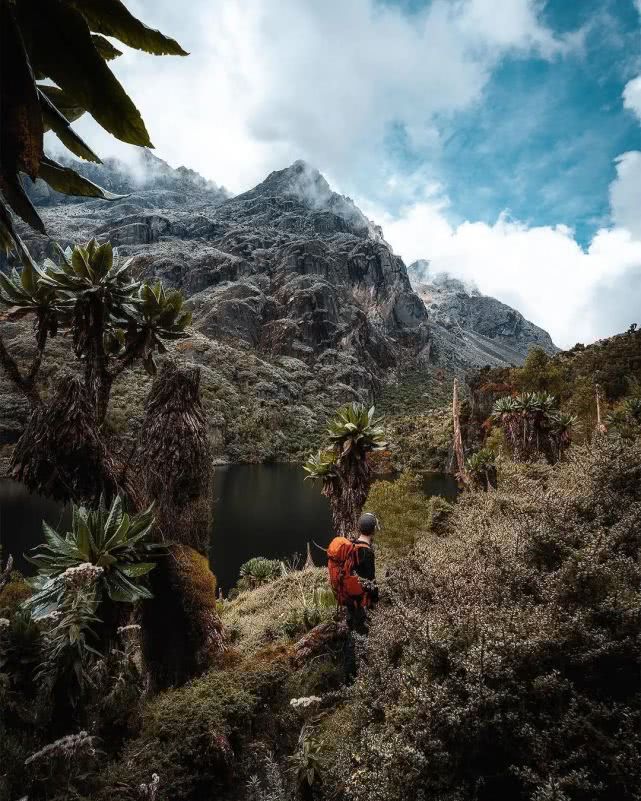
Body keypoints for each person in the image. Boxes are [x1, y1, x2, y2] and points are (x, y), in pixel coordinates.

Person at [343, 511, 379, 679]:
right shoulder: (367, 552)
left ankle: (349, 674)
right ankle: (355, 677)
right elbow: (371, 582)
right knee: (360, 637)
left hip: (349, 599)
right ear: (373, 530)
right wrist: (376, 601)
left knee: (351, 634)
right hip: (361, 603)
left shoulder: (352, 546)